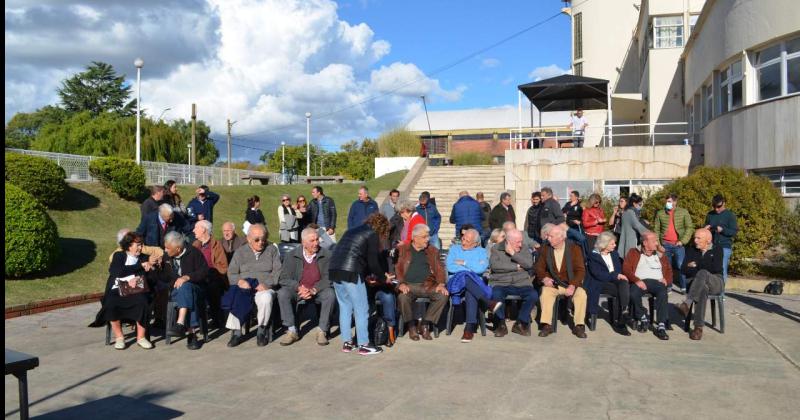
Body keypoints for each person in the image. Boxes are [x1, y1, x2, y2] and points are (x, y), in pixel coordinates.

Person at [329, 213, 394, 355]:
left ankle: (347, 343)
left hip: (334, 270)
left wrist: (366, 276)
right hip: (351, 272)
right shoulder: (372, 234)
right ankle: (364, 345)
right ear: (382, 228)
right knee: (362, 308)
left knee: (345, 307)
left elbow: (355, 254)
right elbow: (373, 262)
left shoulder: (351, 230)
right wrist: (384, 278)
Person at [92, 231, 158, 350]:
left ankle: (141, 338)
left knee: (143, 301)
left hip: (137, 290)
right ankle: (119, 337)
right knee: (111, 301)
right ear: (129, 245)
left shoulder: (144, 258)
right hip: (118, 288)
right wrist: (139, 268)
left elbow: (152, 278)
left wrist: (150, 268)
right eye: (137, 245)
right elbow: (117, 272)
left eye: (141, 244)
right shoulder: (119, 256)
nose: (140, 247)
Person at [225, 224, 281, 348]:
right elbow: (231, 272)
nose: (261, 242)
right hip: (245, 286)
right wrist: (239, 281)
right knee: (237, 296)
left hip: (264, 287)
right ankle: (236, 332)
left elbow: (278, 271)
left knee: (266, 298)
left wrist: (267, 284)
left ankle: (262, 330)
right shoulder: (240, 252)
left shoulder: (272, 250)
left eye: (263, 239)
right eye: (257, 239)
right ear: (249, 239)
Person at [277, 227, 335, 346]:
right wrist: (298, 287)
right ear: (303, 242)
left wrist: (314, 289)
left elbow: (329, 277)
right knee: (283, 293)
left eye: (317, 240)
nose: (316, 243)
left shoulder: (327, 255)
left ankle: (322, 331)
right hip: (299, 289)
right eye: (312, 241)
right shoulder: (291, 256)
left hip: (317, 290)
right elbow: (283, 278)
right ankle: (292, 330)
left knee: (330, 294)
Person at [446, 228, 500, 342]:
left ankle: (468, 329)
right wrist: (470, 269)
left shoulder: (481, 252)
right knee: (466, 276)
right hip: (455, 282)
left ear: (475, 243)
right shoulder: (454, 249)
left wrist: (464, 262)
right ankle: (488, 303)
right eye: (463, 238)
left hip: (474, 285)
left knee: (470, 289)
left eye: (467, 240)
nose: (464, 242)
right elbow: (450, 266)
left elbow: (481, 269)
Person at [158, 231, 209, 350]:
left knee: (186, 287)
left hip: (196, 289)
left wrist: (187, 277)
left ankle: (181, 323)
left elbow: (204, 272)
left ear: (178, 248)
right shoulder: (166, 257)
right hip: (175, 291)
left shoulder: (194, 253)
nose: (165, 250)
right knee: (185, 291)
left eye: (167, 248)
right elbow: (163, 279)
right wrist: (157, 268)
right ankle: (191, 333)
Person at [535, 226, 588, 338]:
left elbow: (580, 270)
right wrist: (544, 278)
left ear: (561, 238)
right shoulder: (545, 248)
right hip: (554, 284)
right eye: (548, 235)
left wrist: (573, 285)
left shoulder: (574, 248)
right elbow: (539, 268)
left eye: (551, 236)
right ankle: (546, 325)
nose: (548, 238)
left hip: (571, 283)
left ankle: (579, 326)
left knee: (581, 294)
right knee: (546, 293)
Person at [488, 229, 538, 337]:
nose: (520, 244)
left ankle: (520, 322)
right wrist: (516, 267)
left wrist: (514, 254)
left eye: (521, 241)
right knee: (496, 294)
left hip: (521, 282)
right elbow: (495, 266)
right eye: (518, 242)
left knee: (533, 295)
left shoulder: (523, 248)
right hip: (501, 282)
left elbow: (529, 264)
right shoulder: (496, 248)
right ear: (509, 241)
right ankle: (501, 324)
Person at [622, 231, 671, 340]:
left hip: (657, 282)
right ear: (644, 243)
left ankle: (661, 326)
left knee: (663, 293)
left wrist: (666, 280)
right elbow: (626, 269)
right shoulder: (633, 252)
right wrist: (636, 280)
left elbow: (668, 270)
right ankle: (643, 318)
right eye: (654, 241)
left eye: (656, 241)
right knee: (633, 293)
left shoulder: (660, 254)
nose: (657, 243)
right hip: (640, 281)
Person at [678, 229, 724, 341]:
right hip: (697, 283)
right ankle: (698, 328)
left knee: (703, 273)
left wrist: (696, 265)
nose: (695, 240)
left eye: (698, 238)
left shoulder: (717, 249)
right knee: (702, 289)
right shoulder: (691, 250)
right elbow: (683, 269)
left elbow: (715, 269)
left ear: (708, 240)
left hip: (715, 281)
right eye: (695, 238)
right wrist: (700, 267)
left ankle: (687, 303)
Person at [585, 231, 631, 336]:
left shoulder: (614, 254)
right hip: (598, 284)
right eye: (612, 243)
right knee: (622, 290)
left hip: (612, 282)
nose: (615, 245)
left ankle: (623, 314)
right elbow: (598, 274)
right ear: (604, 244)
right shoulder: (593, 255)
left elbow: (618, 269)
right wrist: (615, 276)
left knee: (623, 284)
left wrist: (616, 276)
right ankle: (622, 319)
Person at [191, 220, 228, 327]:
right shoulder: (195, 245)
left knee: (213, 287)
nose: (193, 230)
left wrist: (209, 270)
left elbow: (223, 266)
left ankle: (217, 319)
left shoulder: (216, 245)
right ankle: (192, 321)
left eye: (196, 228)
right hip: (198, 277)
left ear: (203, 229)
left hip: (213, 277)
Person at [654, 193, 694, 293]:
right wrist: (659, 245)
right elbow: (656, 230)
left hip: (678, 244)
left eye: (669, 201)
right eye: (666, 201)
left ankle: (683, 286)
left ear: (675, 202)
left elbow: (689, 227)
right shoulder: (660, 213)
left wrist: (683, 241)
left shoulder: (683, 212)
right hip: (665, 244)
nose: (667, 203)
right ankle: (668, 286)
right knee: (667, 266)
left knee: (681, 265)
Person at [704, 194, 737, 286]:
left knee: (721, 269)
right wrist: (706, 228)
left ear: (724, 203)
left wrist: (723, 230)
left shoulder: (730, 215)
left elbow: (734, 231)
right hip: (711, 245)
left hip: (724, 246)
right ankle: (710, 289)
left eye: (718, 206)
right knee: (708, 268)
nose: (716, 209)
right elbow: (705, 228)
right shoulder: (710, 215)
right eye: (714, 206)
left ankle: (720, 293)